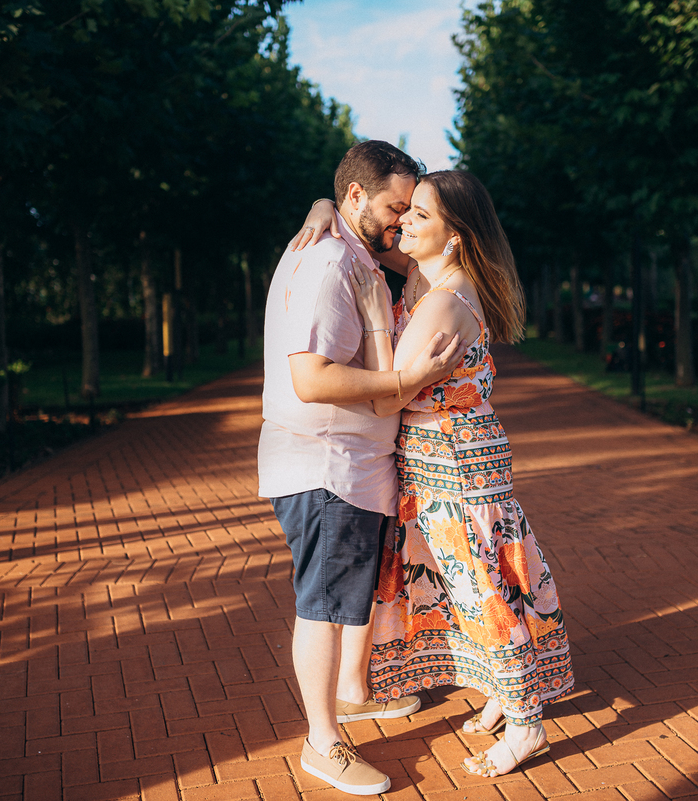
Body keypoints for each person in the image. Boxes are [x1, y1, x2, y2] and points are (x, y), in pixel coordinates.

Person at [296, 170, 574, 778]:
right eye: (408, 211)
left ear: (455, 236)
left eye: (420, 215)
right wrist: (324, 205)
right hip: (453, 464)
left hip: (453, 469)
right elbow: (365, 229)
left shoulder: (444, 300)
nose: (405, 223)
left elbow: (389, 398)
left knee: (480, 592)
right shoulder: (432, 277)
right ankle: (507, 693)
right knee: (473, 588)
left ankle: (527, 724)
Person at [259, 141, 467, 795]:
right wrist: (410, 378)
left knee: (344, 600)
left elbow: (443, 242)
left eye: (409, 210)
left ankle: (350, 694)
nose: (400, 222)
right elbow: (311, 376)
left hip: (349, 466)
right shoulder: (330, 262)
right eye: (392, 208)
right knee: (321, 606)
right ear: (355, 197)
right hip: (326, 466)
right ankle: (324, 743)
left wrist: (323, 202)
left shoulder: (355, 252)